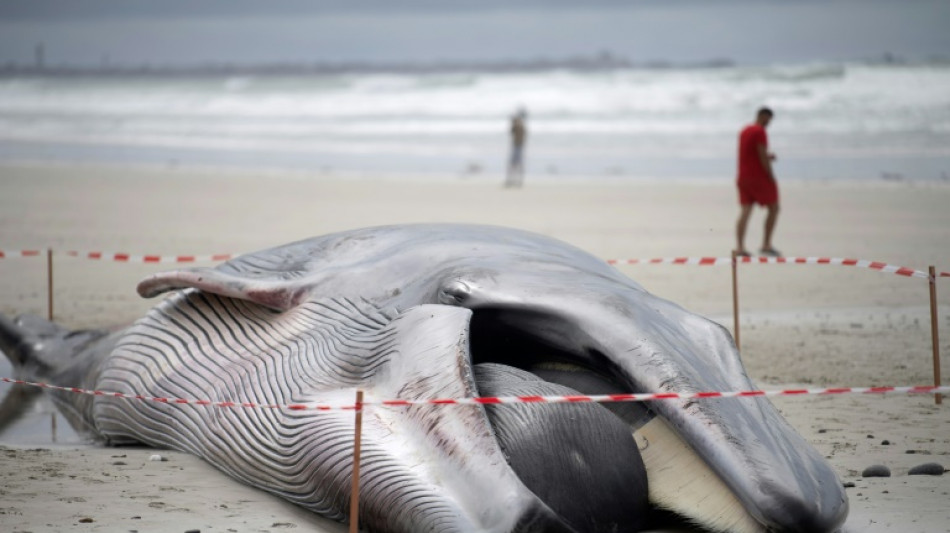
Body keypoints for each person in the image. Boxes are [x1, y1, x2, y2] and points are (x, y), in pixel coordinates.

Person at [735, 107, 781, 257]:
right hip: (758, 177)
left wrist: (767, 157)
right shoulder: (759, 131)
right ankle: (766, 244)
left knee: (745, 211)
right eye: (768, 119)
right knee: (774, 208)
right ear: (762, 116)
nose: (769, 123)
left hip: (743, 176)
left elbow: (750, 153)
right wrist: (770, 174)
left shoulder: (744, 130)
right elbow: (761, 155)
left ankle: (740, 247)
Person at [504, 109, 528, 188]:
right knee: (513, 164)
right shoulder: (516, 125)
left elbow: (522, 136)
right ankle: (512, 180)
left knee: (517, 164)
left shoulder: (521, 126)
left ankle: (518, 180)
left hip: (518, 147)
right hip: (516, 146)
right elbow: (511, 132)